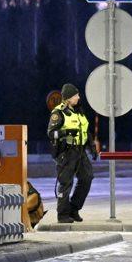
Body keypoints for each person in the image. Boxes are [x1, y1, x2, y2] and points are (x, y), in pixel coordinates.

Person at [48, 83, 96, 223]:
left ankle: (74, 208)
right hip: (66, 152)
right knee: (65, 183)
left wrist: (91, 147)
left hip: (80, 151)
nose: (78, 97)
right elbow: (51, 133)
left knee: (87, 177)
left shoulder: (79, 111)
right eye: (76, 95)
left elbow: (85, 131)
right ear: (68, 98)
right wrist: (66, 132)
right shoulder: (59, 113)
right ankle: (62, 215)